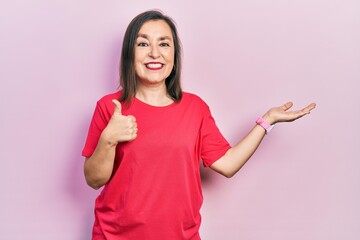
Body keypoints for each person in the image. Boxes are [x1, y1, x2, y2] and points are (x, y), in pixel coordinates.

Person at [82, 10, 316, 240]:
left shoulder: (195, 108)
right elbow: (94, 180)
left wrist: (267, 121)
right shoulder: (110, 107)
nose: (155, 53)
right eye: (143, 44)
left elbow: (228, 164)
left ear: (174, 54)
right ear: (129, 53)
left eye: (164, 44)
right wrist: (108, 139)